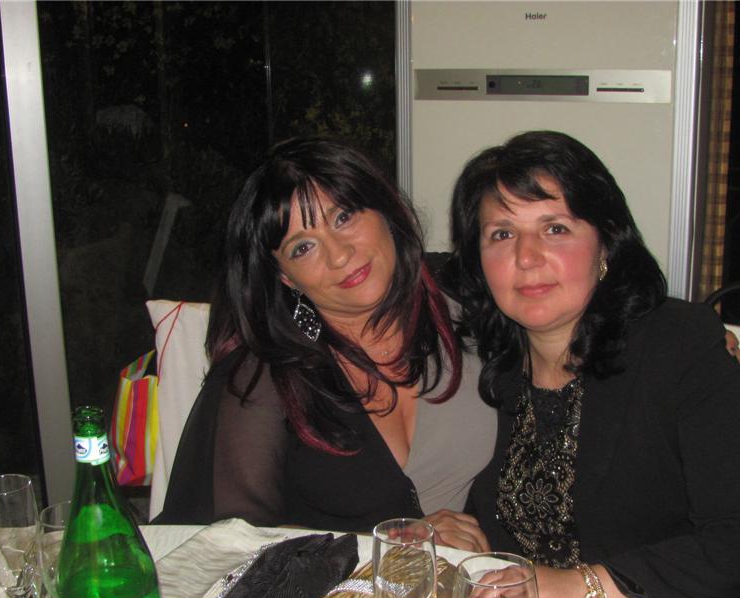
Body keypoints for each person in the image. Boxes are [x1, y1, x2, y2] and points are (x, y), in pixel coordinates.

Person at [452, 130, 740, 598]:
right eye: (502, 234)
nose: (527, 256)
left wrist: (584, 590)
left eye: (555, 228)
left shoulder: (679, 344)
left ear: (605, 244)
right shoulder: (493, 363)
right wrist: (461, 529)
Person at [156, 137, 492, 553]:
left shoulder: (470, 308)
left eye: (343, 217)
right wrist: (395, 545)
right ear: (285, 277)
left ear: (384, 209)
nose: (339, 255)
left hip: (484, 583)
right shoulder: (264, 376)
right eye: (303, 247)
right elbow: (235, 543)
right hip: (336, 591)